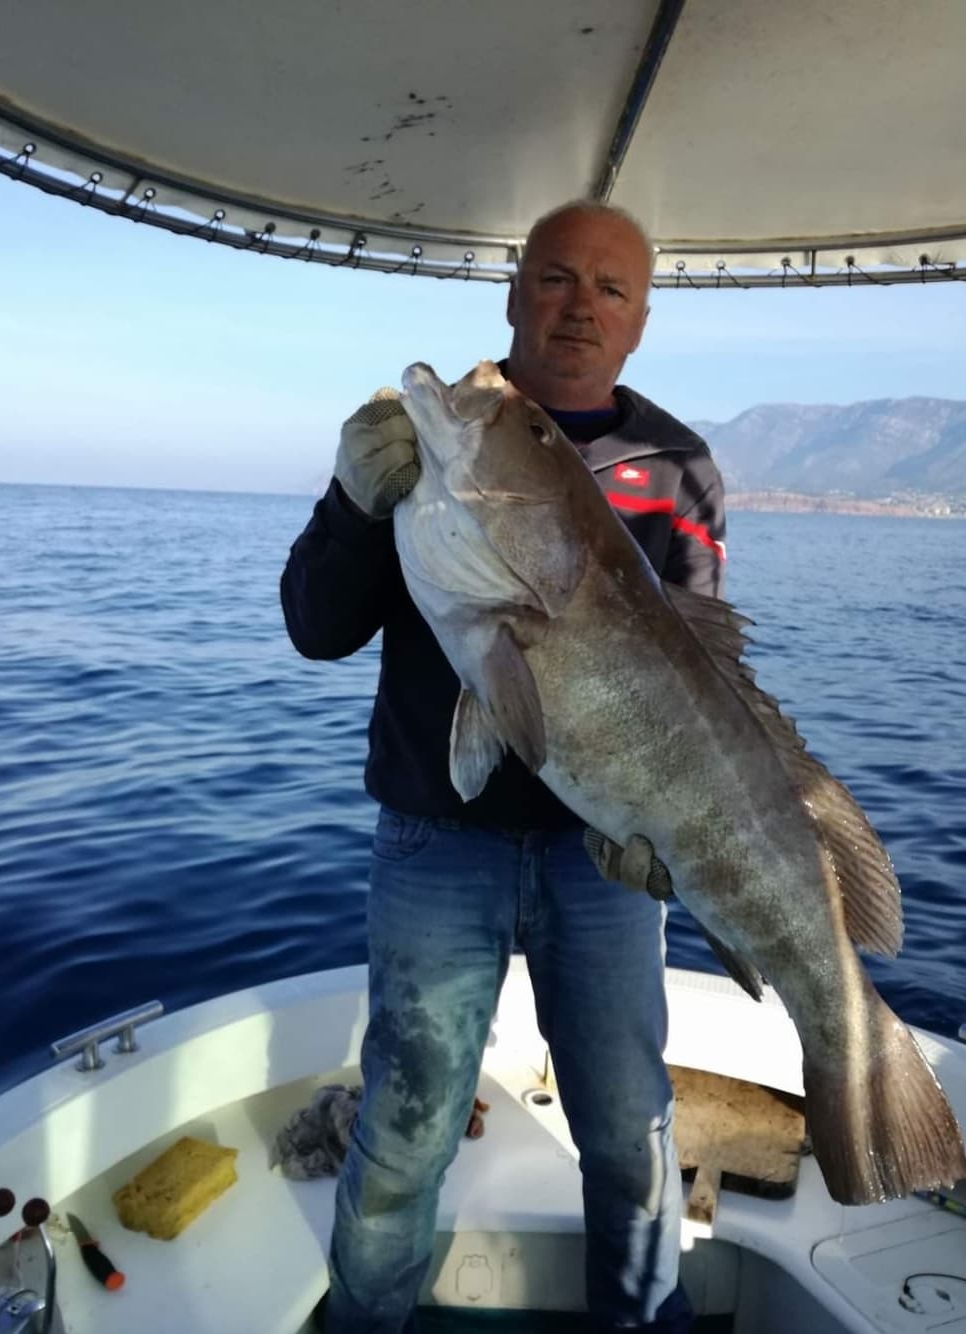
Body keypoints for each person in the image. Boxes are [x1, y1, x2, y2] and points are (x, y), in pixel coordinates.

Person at [280, 201, 726, 1333]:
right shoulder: (426, 436)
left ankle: (645, 1322)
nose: (581, 304)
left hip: (604, 860)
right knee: (407, 1120)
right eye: (558, 276)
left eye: (610, 289)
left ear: (638, 323)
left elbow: (698, 685)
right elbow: (317, 628)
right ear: (515, 292)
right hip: (437, 843)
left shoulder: (676, 467)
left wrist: (666, 829)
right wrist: (348, 501)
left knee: (629, 1127)